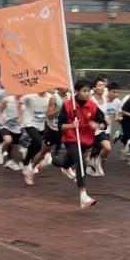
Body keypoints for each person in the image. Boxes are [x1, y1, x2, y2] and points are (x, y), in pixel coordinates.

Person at [53, 80, 101, 209]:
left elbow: (102, 121)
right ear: (77, 91)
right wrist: (71, 125)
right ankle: (83, 196)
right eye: (84, 91)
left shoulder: (92, 105)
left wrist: (99, 125)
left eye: (89, 91)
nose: (87, 93)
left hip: (85, 139)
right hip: (71, 138)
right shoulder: (68, 105)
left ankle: (60, 163)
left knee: (67, 162)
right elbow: (60, 126)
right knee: (80, 161)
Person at [20, 89, 50, 185]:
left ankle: (27, 160)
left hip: (41, 125)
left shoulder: (50, 97)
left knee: (37, 145)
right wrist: (20, 117)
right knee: (37, 141)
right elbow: (19, 102)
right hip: (29, 123)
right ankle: (27, 163)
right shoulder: (29, 96)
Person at [0, 93, 25, 172]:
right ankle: (1, 151)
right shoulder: (8, 99)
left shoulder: (25, 101)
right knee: (8, 140)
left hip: (16, 127)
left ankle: (11, 162)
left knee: (15, 147)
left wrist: (21, 119)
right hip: (5, 124)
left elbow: (24, 115)